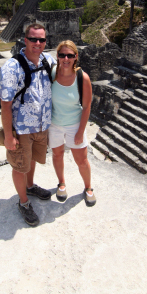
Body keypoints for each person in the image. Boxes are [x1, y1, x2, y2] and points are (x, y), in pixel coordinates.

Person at [0, 23, 56, 227]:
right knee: (20, 165)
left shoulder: (49, 61)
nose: (38, 43)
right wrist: (8, 135)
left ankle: (30, 187)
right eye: (33, 39)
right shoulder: (12, 67)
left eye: (41, 39)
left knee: (31, 161)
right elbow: (5, 105)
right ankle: (23, 203)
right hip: (22, 128)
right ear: (25, 40)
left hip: (41, 126)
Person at [48, 40, 96, 206]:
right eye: (62, 55)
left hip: (75, 124)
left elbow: (87, 106)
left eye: (69, 55)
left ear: (76, 57)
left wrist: (80, 131)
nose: (66, 58)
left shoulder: (82, 78)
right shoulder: (53, 73)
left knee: (81, 160)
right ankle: (61, 183)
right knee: (57, 154)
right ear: (58, 57)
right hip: (54, 124)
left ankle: (88, 187)